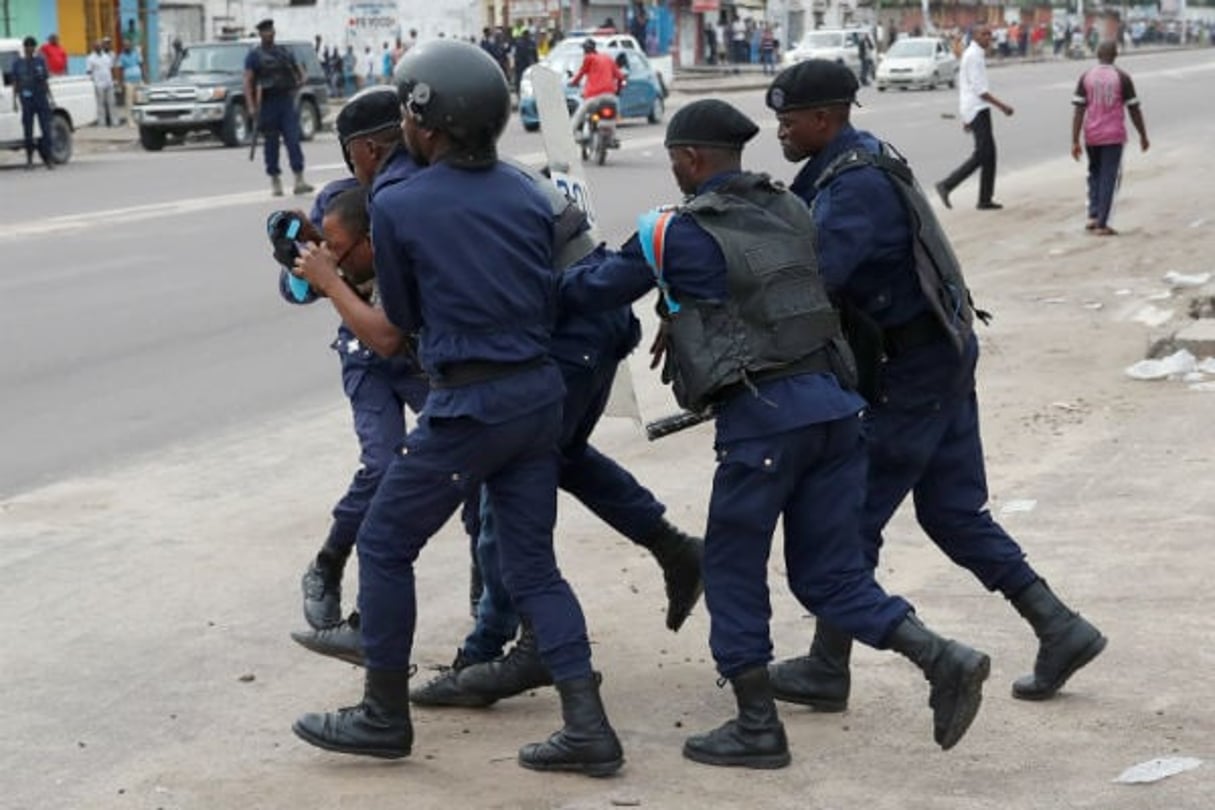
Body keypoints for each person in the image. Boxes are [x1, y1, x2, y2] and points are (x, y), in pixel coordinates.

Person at [557, 98, 992, 769]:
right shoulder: (792, 207)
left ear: (691, 158)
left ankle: (757, 726)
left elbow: (589, 289)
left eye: (674, 157)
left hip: (763, 423)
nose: (672, 167)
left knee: (731, 567)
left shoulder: (671, 233)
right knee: (831, 574)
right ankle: (941, 657)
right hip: (837, 410)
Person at [291, 40, 624, 777]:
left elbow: (387, 333)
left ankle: (383, 716)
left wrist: (327, 279)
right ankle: (588, 727)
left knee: (382, 547)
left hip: (471, 406)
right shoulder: (522, 190)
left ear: (424, 122)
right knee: (534, 566)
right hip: (538, 397)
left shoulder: (401, 204)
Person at [764, 59, 1107, 713]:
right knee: (951, 512)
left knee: (848, 519)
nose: (779, 133)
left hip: (910, 374)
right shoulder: (854, 162)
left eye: (786, 122)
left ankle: (827, 666)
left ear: (823, 118)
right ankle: (1058, 627)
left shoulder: (852, 184)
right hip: (939, 356)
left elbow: (814, 285)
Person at [1070, 41, 1149, 236]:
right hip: (1113, 136)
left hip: (1091, 135)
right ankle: (1102, 224)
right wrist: (1143, 135)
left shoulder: (1086, 76)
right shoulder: (1122, 77)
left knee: (1094, 174)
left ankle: (1093, 215)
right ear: (1116, 54)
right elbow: (1134, 109)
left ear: (1097, 54)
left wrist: (1074, 140)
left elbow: (1079, 110)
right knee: (1110, 179)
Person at [935, 26, 1013, 211]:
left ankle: (985, 199)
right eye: (984, 34)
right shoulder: (973, 56)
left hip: (977, 108)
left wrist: (965, 116)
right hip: (977, 108)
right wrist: (1003, 107)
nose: (988, 38)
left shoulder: (975, 54)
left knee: (990, 155)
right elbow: (980, 91)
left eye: (990, 35)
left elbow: (966, 86)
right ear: (975, 36)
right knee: (982, 154)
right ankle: (947, 185)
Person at [244, 19, 314, 197]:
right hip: (266, 104)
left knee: (293, 141)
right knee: (271, 144)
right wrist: (251, 106)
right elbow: (248, 81)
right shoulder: (254, 56)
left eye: (271, 30)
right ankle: (275, 180)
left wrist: (299, 81)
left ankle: (299, 179)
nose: (269, 33)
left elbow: (301, 73)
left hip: (285, 101)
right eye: (265, 31)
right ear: (260, 34)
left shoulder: (284, 52)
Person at [10, 36, 55, 170]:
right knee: (28, 131)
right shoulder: (17, 64)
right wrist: (14, 101)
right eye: (27, 46)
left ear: (34, 48)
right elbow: (15, 83)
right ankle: (29, 160)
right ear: (24, 48)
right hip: (27, 101)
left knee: (46, 130)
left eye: (32, 46)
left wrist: (51, 99)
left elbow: (45, 81)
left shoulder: (40, 61)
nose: (30, 48)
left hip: (41, 99)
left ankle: (48, 159)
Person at [568, 39, 624, 141]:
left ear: (585, 50)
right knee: (614, 115)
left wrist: (573, 83)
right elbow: (620, 77)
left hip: (593, 96)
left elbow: (580, 74)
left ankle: (569, 134)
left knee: (579, 114)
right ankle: (613, 136)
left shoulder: (589, 58)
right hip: (609, 95)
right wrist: (618, 91)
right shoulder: (608, 58)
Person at [85, 39, 117, 127]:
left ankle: (114, 122)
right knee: (100, 104)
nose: (99, 47)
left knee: (112, 103)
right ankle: (102, 123)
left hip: (109, 83)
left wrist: (114, 80)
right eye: (97, 46)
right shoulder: (90, 58)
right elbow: (89, 72)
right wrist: (92, 83)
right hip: (98, 84)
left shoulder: (106, 56)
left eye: (99, 45)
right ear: (94, 47)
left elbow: (110, 68)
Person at [118, 42, 143, 127]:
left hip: (138, 80)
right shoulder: (121, 56)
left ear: (131, 46)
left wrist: (143, 77)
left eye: (128, 45)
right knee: (129, 101)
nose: (127, 47)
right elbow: (120, 70)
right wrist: (121, 82)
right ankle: (130, 121)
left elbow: (141, 65)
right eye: (125, 46)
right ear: (123, 47)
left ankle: (139, 118)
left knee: (140, 99)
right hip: (128, 81)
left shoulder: (136, 54)